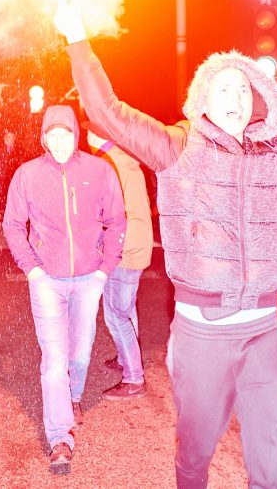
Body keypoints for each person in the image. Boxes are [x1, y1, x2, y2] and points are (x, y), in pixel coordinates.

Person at [56, 0, 277, 489]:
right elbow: (107, 112)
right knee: (194, 459)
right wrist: (78, 41)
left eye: (243, 88)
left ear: (257, 99)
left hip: (265, 333)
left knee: (271, 461)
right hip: (202, 335)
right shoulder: (177, 146)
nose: (235, 94)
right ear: (202, 99)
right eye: (222, 86)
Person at [3, 105, 126, 474]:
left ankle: (72, 397)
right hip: (48, 281)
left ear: (75, 136)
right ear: (43, 137)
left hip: (89, 278)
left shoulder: (99, 171)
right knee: (54, 360)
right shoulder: (27, 175)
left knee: (81, 351)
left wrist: (105, 268)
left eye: (66, 134)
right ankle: (60, 437)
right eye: (52, 135)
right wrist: (32, 269)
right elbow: (12, 224)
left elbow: (117, 220)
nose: (59, 142)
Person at [86, 126, 153, 401]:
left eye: (87, 133)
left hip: (122, 246)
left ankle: (134, 378)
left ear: (96, 136)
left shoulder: (105, 164)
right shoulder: (127, 161)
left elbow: (102, 211)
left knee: (115, 314)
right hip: (138, 241)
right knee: (127, 309)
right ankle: (128, 359)